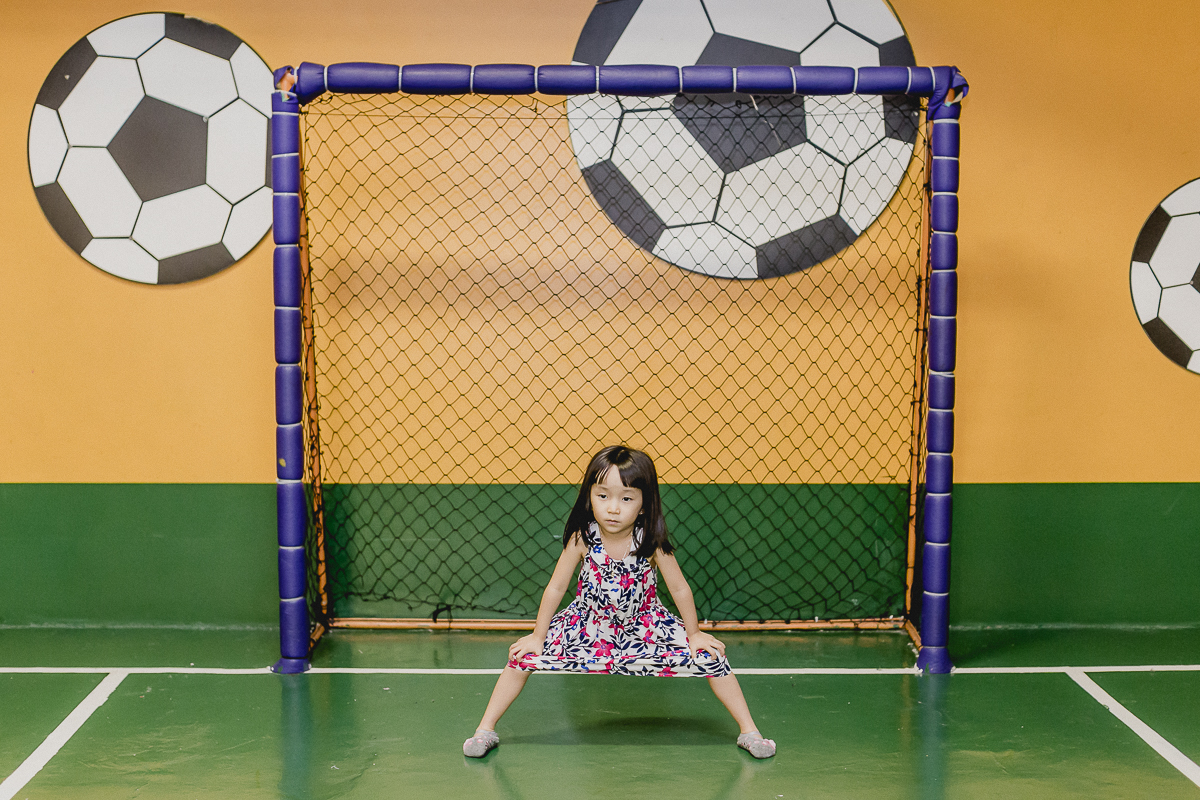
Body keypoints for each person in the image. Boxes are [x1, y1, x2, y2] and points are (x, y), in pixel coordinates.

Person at [462, 445, 775, 759]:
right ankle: (485, 729)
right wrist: (538, 636)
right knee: (521, 659)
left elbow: (679, 589)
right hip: (588, 624)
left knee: (712, 659)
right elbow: (556, 588)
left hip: (646, 625)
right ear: (590, 497)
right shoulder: (582, 538)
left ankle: (750, 732)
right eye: (603, 496)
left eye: (626, 498)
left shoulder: (651, 541)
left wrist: (693, 634)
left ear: (643, 504)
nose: (613, 508)